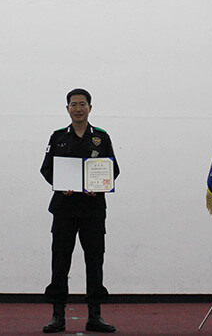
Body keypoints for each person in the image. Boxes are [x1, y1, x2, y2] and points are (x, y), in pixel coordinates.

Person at [40, 88, 120, 333]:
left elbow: (113, 170)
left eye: (82, 104)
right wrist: (60, 184)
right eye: (73, 104)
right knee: (60, 262)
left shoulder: (101, 137)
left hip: (93, 210)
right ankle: (58, 316)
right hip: (64, 209)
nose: (78, 108)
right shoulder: (58, 137)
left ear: (90, 108)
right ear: (67, 109)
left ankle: (95, 316)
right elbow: (46, 169)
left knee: (94, 262)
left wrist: (100, 186)